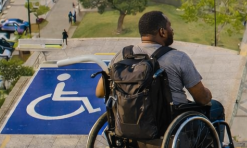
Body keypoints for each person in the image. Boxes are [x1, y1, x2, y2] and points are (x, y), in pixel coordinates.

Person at [96, 12, 226, 124]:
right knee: (216, 107)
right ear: (162, 32)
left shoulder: (122, 55)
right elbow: (202, 99)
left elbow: (100, 92)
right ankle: (215, 146)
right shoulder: (178, 57)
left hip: (129, 126)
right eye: (170, 26)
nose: (172, 30)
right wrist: (207, 94)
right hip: (170, 125)